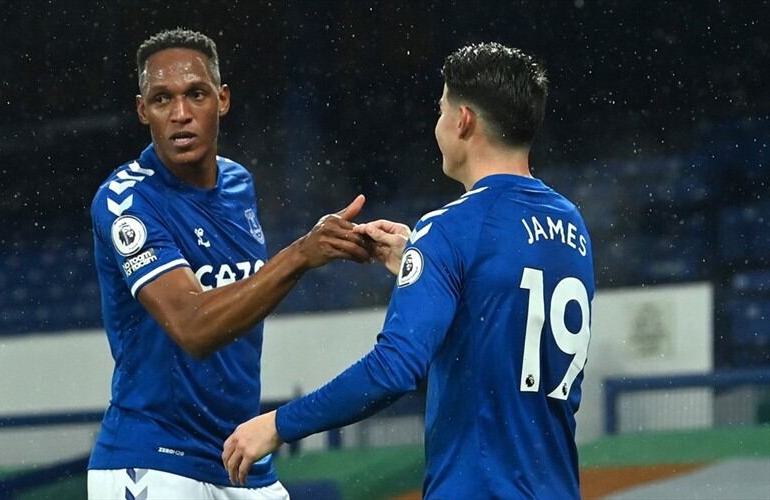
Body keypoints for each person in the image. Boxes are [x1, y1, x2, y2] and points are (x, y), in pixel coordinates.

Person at [223, 42, 595, 499]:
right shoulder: (571, 225)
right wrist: (424, 268)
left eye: (440, 110)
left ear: (463, 121)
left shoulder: (449, 228)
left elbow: (394, 368)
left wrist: (278, 424)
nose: (437, 124)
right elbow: (506, 317)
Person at [87, 28, 372, 500]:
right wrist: (301, 255)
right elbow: (194, 327)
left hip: (240, 459)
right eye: (162, 99)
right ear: (142, 111)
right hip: (155, 461)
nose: (180, 113)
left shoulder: (239, 184)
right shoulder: (126, 201)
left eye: (195, 94)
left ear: (222, 100)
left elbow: (244, 298)